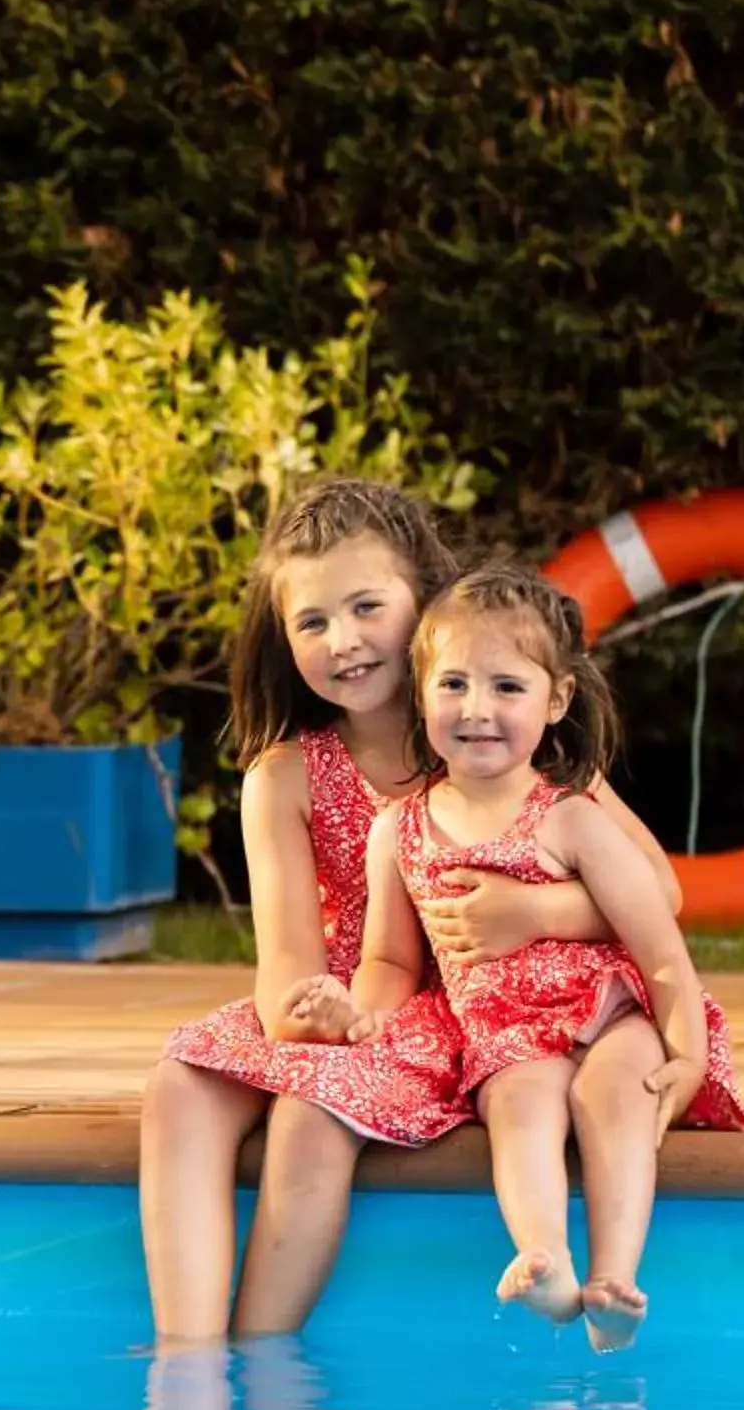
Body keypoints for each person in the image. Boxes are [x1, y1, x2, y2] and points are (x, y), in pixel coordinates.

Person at [140, 482, 678, 1344]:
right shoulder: (284, 777)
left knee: (309, 1115)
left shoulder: (497, 731)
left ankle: (261, 1345)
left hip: (488, 1010)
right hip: (362, 1009)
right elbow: (286, 991)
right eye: (311, 621)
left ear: (422, 600)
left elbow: (661, 893)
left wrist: (533, 914)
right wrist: (339, 1015)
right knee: (181, 1084)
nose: (342, 641)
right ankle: (191, 1358)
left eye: (366, 607)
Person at [322, 564, 744, 1353]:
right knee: (518, 1109)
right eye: (452, 683)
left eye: (507, 689)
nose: (477, 710)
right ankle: (547, 1259)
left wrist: (687, 1048)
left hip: (610, 1011)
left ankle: (615, 1279)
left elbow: (660, 945)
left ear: (555, 701)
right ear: (421, 696)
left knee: (611, 1094)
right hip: (506, 1034)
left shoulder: (569, 819)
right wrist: (366, 1015)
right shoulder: (400, 829)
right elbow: (390, 960)